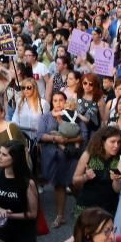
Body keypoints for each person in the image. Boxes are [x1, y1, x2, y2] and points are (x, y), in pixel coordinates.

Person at [38, 92, 86, 229]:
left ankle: (83, 210)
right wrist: (55, 139)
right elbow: (40, 135)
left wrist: (68, 140)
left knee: (74, 184)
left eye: (61, 100)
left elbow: (84, 134)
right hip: (54, 157)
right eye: (55, 100)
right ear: (51, 102)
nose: (58, 103)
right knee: (59, 185)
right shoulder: (46, 117)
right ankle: (60, 215)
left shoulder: (73, 115)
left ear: (66, 102)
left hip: (71, 156)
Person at [72, 127, 121, 218]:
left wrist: (116, 179)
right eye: (113, 141)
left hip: (109, 207)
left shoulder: (119, 159)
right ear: (103, 141)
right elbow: (75, 180)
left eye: (119, 142)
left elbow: (117, 189)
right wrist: (85, 177)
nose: (116, 145)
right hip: (88, 206)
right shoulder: (88, 155)